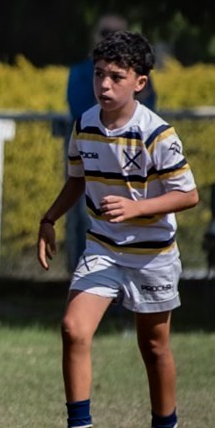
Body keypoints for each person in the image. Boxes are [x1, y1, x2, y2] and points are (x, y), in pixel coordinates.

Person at [37, 30, 197, 428]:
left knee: (154, 345)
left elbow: (188, 195)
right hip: (103, 248)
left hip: (152, 254)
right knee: (73, 328)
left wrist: (138, 207)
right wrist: (48, 219)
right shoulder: (85, 124)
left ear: (139, 83)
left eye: (116, 77)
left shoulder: (157, 134)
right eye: (99, 76)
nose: (105, 86)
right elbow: (77, 180)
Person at [58, 15, 157, 271]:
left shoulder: (138, 75)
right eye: (105, 32)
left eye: (116, 33)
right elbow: (81, 110)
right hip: (94, 156)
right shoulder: (82, 72)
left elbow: (147, 111)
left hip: (131, 161)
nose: (104, 83)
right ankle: (83, 272)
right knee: (84, 216)